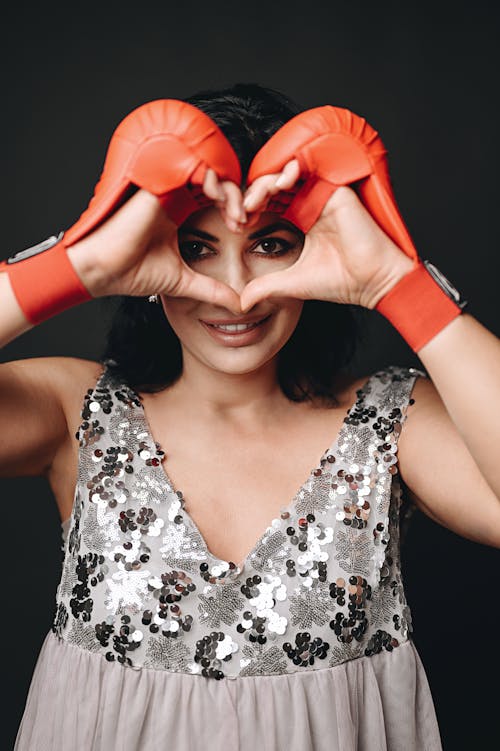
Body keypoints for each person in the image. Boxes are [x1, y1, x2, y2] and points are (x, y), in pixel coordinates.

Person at [2, 83, 499, 751]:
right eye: (197, 246)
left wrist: (395, 284)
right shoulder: (78, 410)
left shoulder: (389, 423)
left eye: (271, 242)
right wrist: (80, 263)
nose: (235, 289)